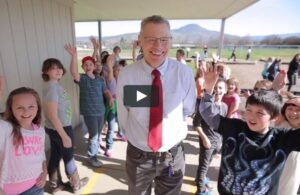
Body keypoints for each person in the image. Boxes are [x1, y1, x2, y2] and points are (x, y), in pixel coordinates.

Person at [116, 15, 196, 194]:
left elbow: (187, 109)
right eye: (150, 39)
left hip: (172, 157)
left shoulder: (183, 73)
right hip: (138, 156)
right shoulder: (127, 75)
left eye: (163, 40)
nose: (158, 46)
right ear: (140, 41)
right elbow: (124, 113)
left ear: (170, 41)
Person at [199, 66, 300, 194]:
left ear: (274, 117)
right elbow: (208, 113)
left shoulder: (283, 139)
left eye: (260, 113)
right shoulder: (234, 127)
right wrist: (208, 90)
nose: (252, 117)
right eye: (249, 110)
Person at [41, 58, 89, 193]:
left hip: (56, 128)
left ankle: (55, 185)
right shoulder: (51, 88)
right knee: (68, 157)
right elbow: (52, 115)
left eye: (60, 67)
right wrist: (65, 136)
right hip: (61, 129)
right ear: (46, 71)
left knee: (56, 154)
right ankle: (76, 184)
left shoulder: (54, 86)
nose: (58, 70)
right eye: (53, 68)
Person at [65, 45, 113, 168]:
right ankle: (92, 157)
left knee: (97, 135)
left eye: (90, 64)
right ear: (83, 67)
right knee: (93, 136)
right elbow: (73, 72)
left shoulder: (100, 79)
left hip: (100, 111)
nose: (88, 66)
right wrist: (73, 56)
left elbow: (105, 91)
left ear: (93, 66)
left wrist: (110, 97)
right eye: (85, 65)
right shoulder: (82, 79)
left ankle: (94, 152)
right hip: (89, 113)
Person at [0, 87, 47, 195]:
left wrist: (45, 172)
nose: (26, 111)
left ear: (38, 108)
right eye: (19, 107)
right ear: (11, 109)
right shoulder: (5, 128)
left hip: (36, 187)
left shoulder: (40, 130)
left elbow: (41, 155)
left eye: (31, 106)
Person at [194, 79, 228, 195]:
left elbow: (223, 126)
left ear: (225, 91)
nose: (218, 90)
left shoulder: (224, 106)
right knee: (203, 166)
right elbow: (196, 124)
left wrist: (221, 142)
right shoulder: (205, 106)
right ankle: (201, 190)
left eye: (220, 88)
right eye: (216, 87)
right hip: (207, 141)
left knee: (208, 163)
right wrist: (204, 138)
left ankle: (201, 181)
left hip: (217, 142)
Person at [276, 98, 300, 195]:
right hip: (273, 171)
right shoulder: (279, 126)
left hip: (292, 173)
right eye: (290, 109)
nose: (293, 113)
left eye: (298, 110)